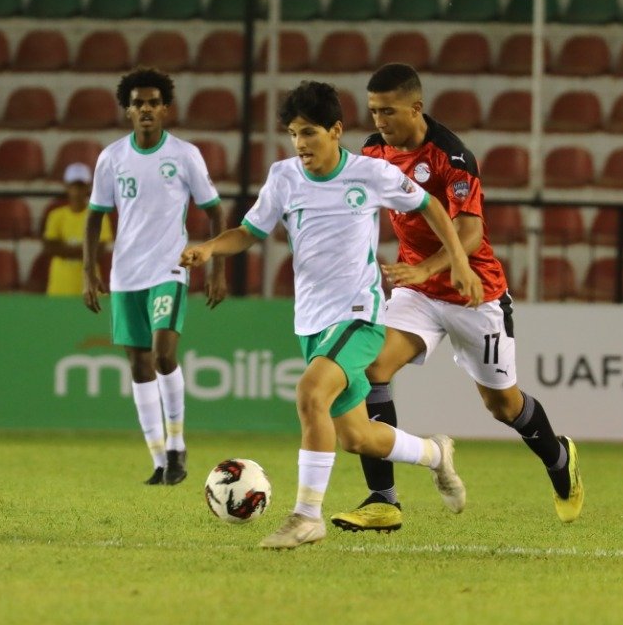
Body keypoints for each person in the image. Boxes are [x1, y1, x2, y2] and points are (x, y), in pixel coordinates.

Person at [181, 80, 482, 549]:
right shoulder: (284, 177)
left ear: (336, 130)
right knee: (357, 437)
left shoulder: (371, 173)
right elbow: (249, 231)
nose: (300, 143)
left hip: (359, 314)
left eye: (309, 132)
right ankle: (434, 453)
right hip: (312, 321)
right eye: (293, 134)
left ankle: (307, 516)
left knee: (310, 392)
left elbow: (431, 207)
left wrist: (457, 262)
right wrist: (210, 249)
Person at [330, 63, 584, 533]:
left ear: (416, 108)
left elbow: (469, 233)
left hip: (475, 293)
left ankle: (558, 457)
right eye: (374, 111)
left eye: (388, 111)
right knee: (372, 369)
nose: (380, 121)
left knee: (503, 406)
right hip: (417, 291)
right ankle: (383, 500)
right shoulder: (374, 150)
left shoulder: (453, 157)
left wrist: (427, 267)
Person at [82, 67, 228, 486]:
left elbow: (215, 211)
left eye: (153, 103)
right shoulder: (112, 157)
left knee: (163, 355)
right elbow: (94, 216)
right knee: (138, 365)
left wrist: (217, 268)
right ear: (127, 111)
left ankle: (177, 445)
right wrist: (89, 270)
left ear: (165, 109)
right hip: (126, 274)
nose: (145, 109)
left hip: (169, 267)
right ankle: (160, 459)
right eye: (137, 104)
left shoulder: (184, 155)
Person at [43, 162, 114, 296]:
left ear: (88, 187)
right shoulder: (56, 215)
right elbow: (50, 248)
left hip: (87, 286)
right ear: (67, 187)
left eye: (80, 186)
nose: (76, 191)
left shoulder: (99, 216)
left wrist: (64, 248)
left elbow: (100, 250)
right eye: (73, 186)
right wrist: (87, 249)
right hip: (59, 287)